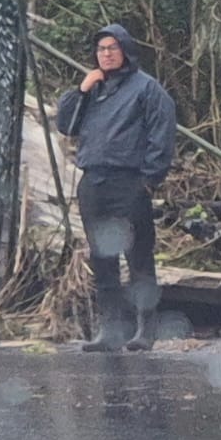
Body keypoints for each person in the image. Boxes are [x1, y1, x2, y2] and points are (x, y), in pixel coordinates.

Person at [56, 24, 177, 352]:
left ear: (125, 49)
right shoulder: (94, 89)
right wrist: (81, 91)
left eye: (112, 47)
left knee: (137, 255)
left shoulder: (147, 89)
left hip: (130, 180)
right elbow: (66, 125)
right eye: (100, 49)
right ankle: (111, 328)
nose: (106, 54)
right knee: (102, 257)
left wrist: (149, 180)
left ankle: (145, 328)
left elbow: (161, 134)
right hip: (94, 181)